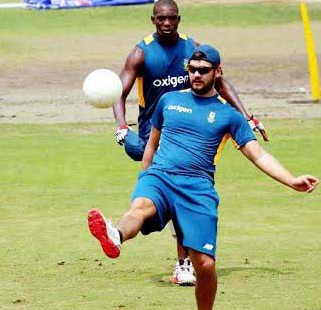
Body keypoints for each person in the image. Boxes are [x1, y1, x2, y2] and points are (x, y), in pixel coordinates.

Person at [89, 45, 318, 310]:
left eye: (203, 70)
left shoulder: (228, 115)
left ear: (217, 72)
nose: (195, 75)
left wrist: (291, 180)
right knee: (139, 206)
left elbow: (258, 155)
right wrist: (144, 176)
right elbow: (152, 144)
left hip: (197, 188)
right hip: (160, 176)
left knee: (205, 264)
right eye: (192, 69)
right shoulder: (168, 102)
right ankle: (115, 236)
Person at [112, 0, 267, 286]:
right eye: (161, 19)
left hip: (195, 131)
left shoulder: (192, 49)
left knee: (181, 193)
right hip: (155, 131)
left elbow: (221, 82)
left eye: (171, 18)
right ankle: (140, 233)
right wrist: (122, 127)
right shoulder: (141, 52)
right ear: (153, 20)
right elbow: (117, 93)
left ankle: (182, 260)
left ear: (179, 19)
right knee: (153, 174)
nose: (166, 23)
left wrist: (248, 118)